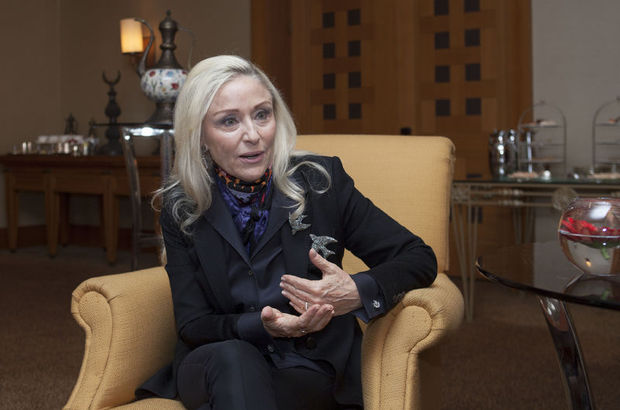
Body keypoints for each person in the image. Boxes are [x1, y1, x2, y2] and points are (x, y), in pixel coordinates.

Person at [136, 55, 438, 410]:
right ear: (199, 135)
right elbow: (193, 324)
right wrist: (261, 326)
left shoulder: (322, 183)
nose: (253, 135)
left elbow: (419, 257)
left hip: (306, 363)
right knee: (235, 361)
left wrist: (354, 292)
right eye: (229, 121)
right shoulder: (182, 206)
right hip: (216, 360)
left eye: (262, 115)